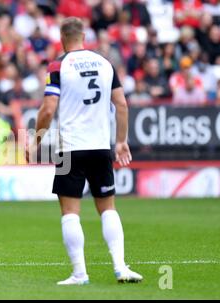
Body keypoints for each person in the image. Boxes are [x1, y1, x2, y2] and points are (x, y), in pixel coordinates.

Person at [27, 17, 143, 285]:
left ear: (61, 37)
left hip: (72, 148)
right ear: (84, 36)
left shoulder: (59, 65)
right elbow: (121, 104)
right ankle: (121, 267)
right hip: (101, 146)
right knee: (108, 208)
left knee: (70, 212)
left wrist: (36, 141)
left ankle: (80, 273)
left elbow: (47, 109)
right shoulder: (105, 63)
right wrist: (121, 141)